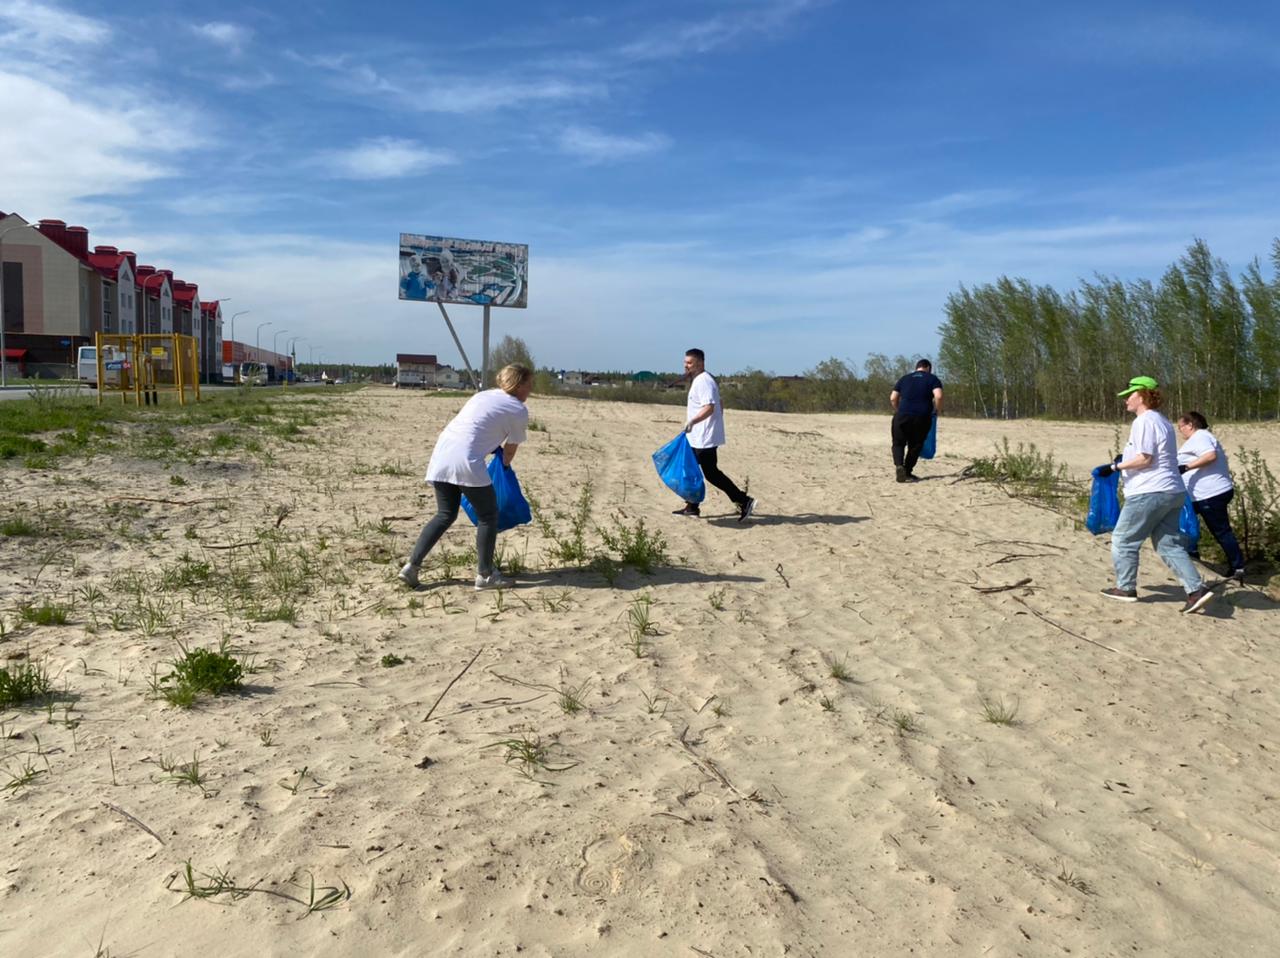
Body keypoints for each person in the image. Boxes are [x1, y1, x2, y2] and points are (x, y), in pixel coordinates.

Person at [399, 364, 532, 590]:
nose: (530, 389)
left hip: (442, 456)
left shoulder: (483, 396)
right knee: (488, 516)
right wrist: (504, 467)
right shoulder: (518, 409)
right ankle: (485, 575)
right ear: (519, 385)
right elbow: (509, 451)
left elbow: (475, 428)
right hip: (466, 461)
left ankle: (411, 566)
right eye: (529, 384)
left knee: (445, 514)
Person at [1094, 376, 1214, 613]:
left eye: (1129, 395)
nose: (1126, 400)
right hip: (1173, 491)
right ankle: (1196, 590)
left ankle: (1125, 588)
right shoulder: (1162, 421)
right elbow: (1152, 455)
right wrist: (1124, 459)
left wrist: (1115, 467)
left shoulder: (1144, 421)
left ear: (1142, 395)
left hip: (1150, 491)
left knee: (1123, 540)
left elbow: (1144, 459)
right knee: (1168, 544)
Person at [673, 348, 755, 521]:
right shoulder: (700, 380)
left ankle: (744, 500)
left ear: (700, 363)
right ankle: (692, 506)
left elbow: (709, 407)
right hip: (699, 436)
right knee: (692, 469)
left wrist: (693, 421)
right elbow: (720, 403)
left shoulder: (704, 381)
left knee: (710, 473)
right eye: (685, 362)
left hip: (704, 438)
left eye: (690, 363)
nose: (686, 365)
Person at [1177, 411, 1246, 583]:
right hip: (1201, 495)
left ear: (1190, 425)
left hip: (1210, 494)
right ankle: (1192, 552)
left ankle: (1238, 567)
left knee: (1221, 531)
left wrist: (1185, 467)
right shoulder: (1199, 438)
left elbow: (1210, 456)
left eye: (1181, 427)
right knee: (1184, 519)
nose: (1180, 430)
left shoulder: (1200, 437)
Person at [889, 359, 943, 482]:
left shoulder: (904, 378)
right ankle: (907, 471)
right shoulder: (932, 379)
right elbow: (938, 396)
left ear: (916, 367)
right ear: (928, 368)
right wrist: (936, 410)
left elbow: (893, 398)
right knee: (915, 445)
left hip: (902, 415)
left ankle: (899, 466)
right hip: (922, 417)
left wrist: (898, 410)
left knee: (898, 443)